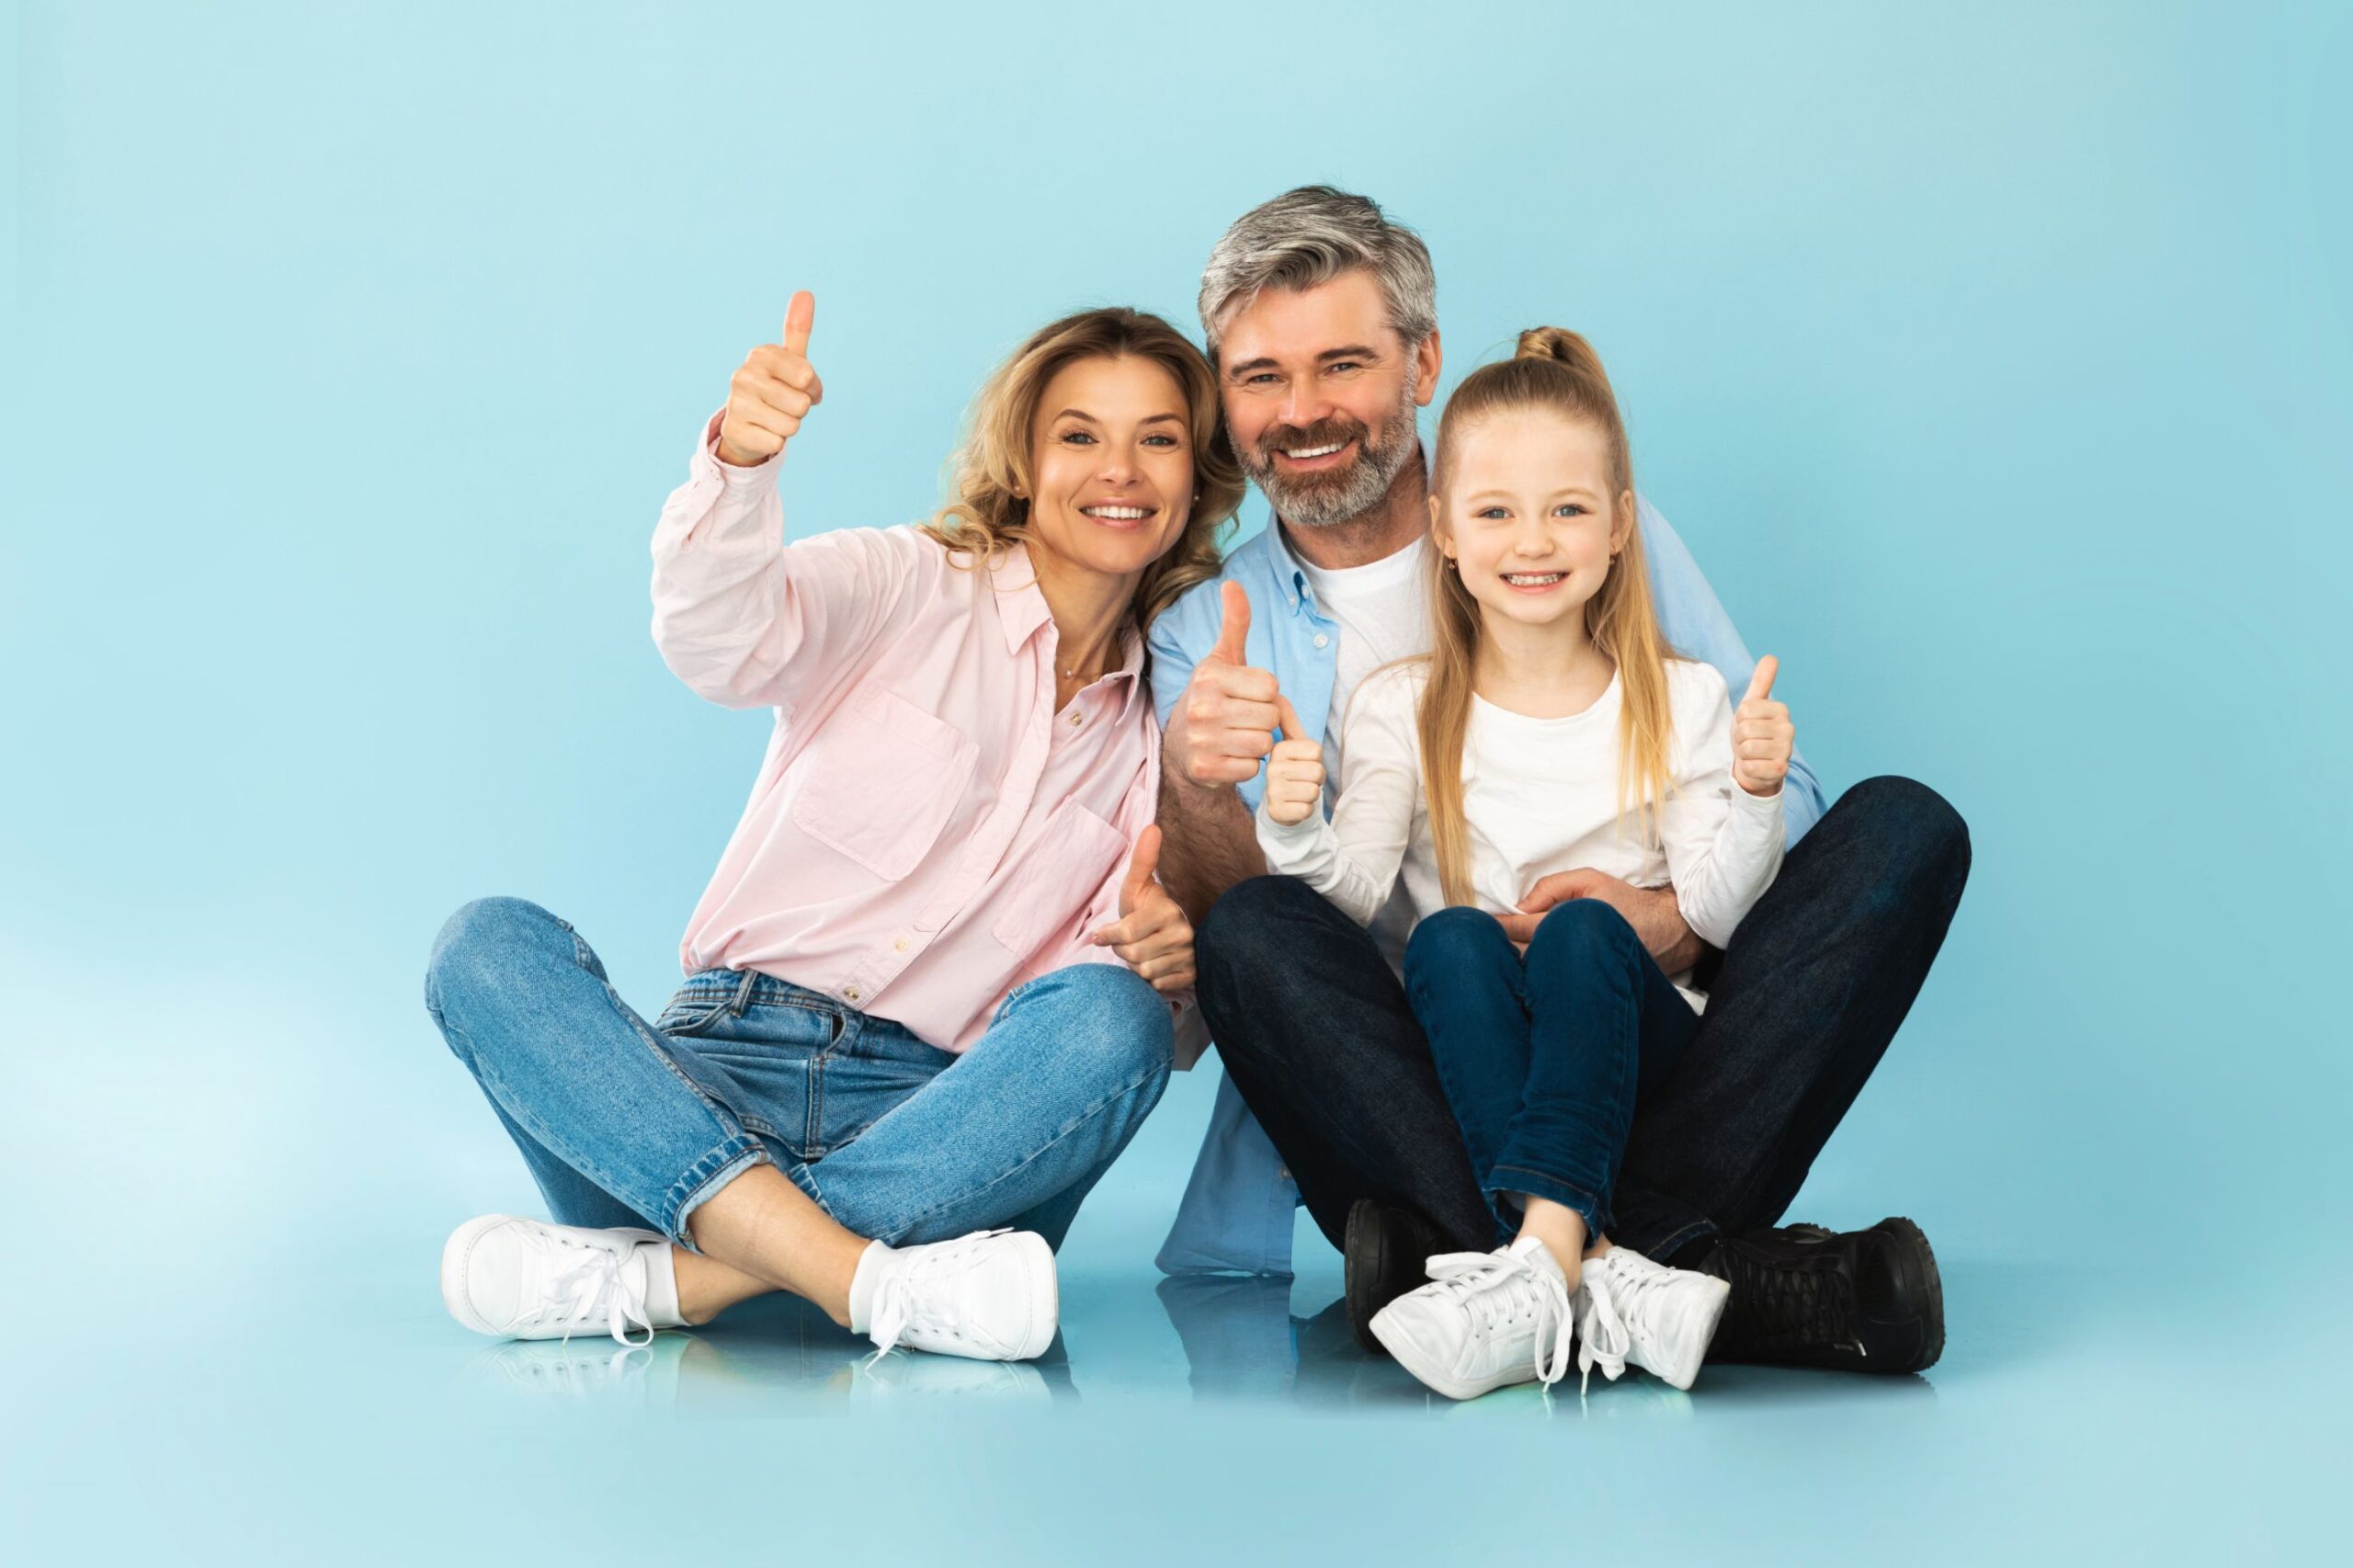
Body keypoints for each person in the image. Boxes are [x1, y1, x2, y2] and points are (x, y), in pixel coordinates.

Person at [1150, 187, 1969, 1375]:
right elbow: (1239, 921)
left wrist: (1669, 918)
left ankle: (1490, 1264)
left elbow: (1774, 795)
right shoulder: (1204, 630)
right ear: (1225, 395)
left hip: (1649, 1043)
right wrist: (1196, 778)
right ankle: (1699, 1275)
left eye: (1342, 363)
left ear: (1423, 360)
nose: (1304, 410)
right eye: (1260, 376)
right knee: (1262, 934)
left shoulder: (1585, 529)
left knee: (1901, 827)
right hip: (1421, 1080)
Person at [424, 298, 1242, 1363]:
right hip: (700, 1089)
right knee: (484, 945)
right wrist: (742, 466)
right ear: (1024, 461)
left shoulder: (1172, 721)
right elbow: (721, 643)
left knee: (1113, 1016)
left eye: (1158, 438)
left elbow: (1145, 1045)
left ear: (1195, 473)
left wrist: (1172, 965)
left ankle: (679, 1278)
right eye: (1079, 434)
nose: (1118, 470)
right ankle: (866, 1279)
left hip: (942, 1125)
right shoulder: (906, 580)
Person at [1257, 327, 1787, 1400]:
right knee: (1450, 935)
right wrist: (1291, 825)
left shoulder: (1679, 699)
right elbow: (1352, 895)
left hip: (1643, 1065)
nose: (1531, 541)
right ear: (1444, 532)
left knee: (1588, 929)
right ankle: (1594, 1270)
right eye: (1495, 512)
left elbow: (1723, 914)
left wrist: (1760, 795)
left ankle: (1535, 1260)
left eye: (1568, 509)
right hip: (1482, 1057)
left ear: (1619, 528)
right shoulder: (1397, 706)